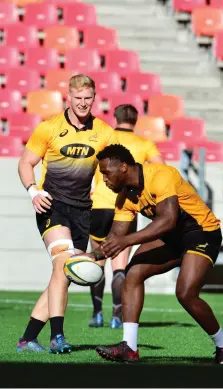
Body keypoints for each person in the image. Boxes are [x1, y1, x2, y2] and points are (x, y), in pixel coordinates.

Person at [88, 144, 223, 365]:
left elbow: (167, 220)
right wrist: (90, 258)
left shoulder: (160, 173)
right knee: (132, 274)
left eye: (105, 173)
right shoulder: (123, 198)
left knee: (186, 293)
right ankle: (129, 348)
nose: (104, 179)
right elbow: (115, 239)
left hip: (202, 232)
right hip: (173, 237)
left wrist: (126, 241)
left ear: (122, 167)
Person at [16, 74, 117, 354]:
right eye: (78, 99)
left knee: (66, 275)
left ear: (94, 98)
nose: (83, 104)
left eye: (88, 98)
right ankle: (57, 336)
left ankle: (27, 339)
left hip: (83, 211)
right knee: (63, 264)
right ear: (68, 98)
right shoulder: (49, 128)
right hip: (52, 205)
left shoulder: (105, 133)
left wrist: (103, 187)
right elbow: (26, 162)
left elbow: (112, 169)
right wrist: (33, 191)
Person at [89, 104, 164, 329]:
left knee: (98, 261)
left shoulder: (105, 139)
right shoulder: (145, 144)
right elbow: (161, 168)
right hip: (127, 207)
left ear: (115, 117)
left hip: (100, 204)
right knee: (119, 265)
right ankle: (116, 316)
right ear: (136, 120)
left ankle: (97, 314)